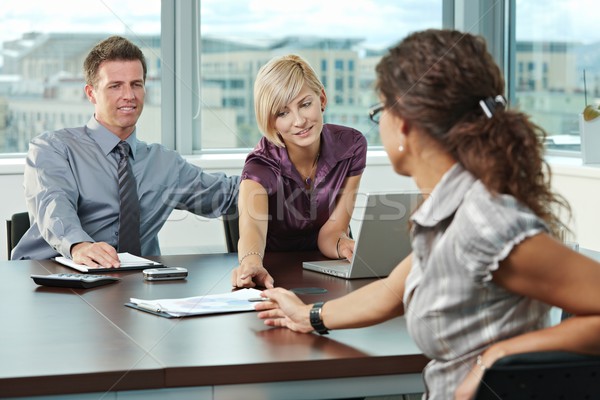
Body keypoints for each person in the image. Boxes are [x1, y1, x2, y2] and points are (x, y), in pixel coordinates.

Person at [254, 29, 600, 399]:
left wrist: (497, 360)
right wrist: (308, 315)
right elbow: (389, 293)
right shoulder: (445, 214)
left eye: (379, 110)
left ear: (403, 124)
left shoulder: (484, 223)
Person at [12, 35, 239, 268]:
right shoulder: (53, 148)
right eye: (115, 86)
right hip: (51, 276)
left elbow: (230, 195)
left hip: (132, 283)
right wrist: (78, 246)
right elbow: (54, 206)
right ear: (91, 93)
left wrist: (274, 160)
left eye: (136, 84)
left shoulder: (165, 163)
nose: (129, 95)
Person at [231, 54, 367, 288]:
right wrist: (251, 262)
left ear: (321, 98)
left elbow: (332, 232)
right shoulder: (260, 166)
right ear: (270, 121)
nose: (299, 121)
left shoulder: (352, 146)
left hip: (328, 273)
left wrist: (343, 244)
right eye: (283, 113)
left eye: (305, 104)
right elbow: (252, 230)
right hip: (275, 276)